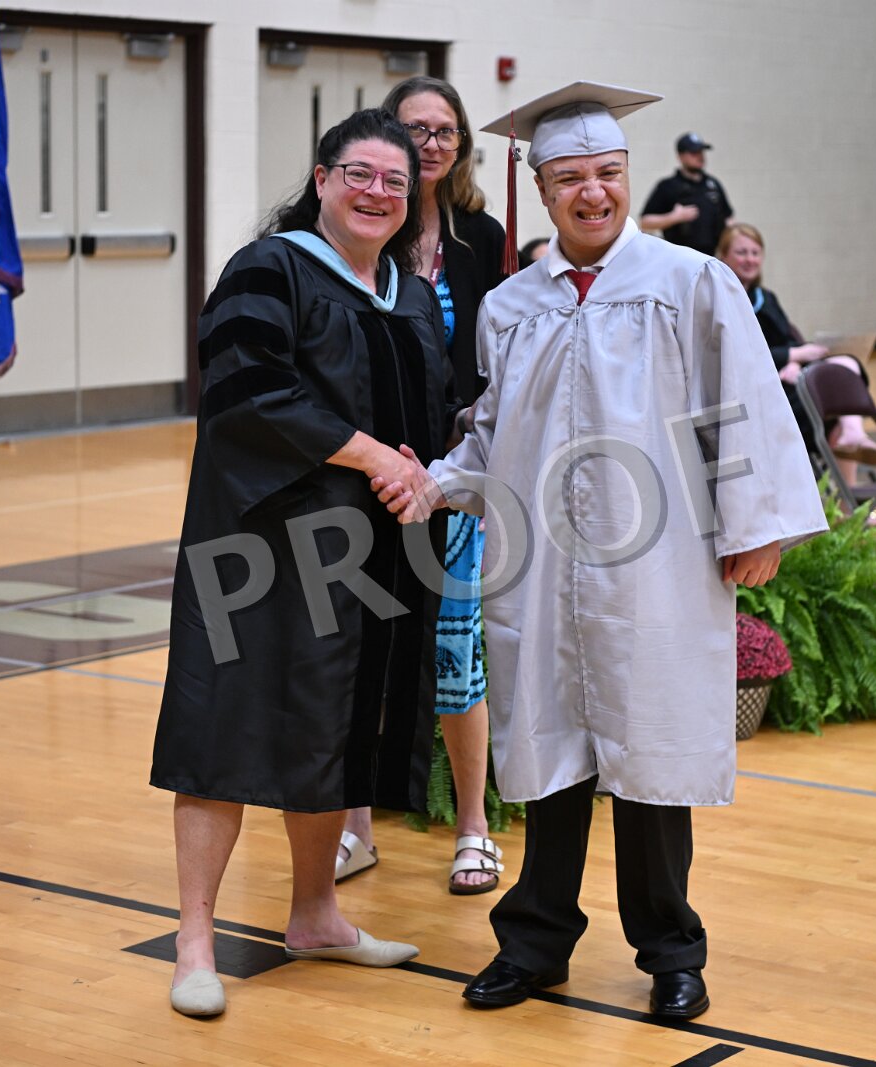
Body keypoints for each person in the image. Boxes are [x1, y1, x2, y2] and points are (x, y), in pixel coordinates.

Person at [377, 81, 825, 1021]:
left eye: (609, 174)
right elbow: (494, 434)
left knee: (651, 752)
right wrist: (437, 483)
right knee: (549, 748)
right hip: (542, 561)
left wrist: (758, 524)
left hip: (661, 560)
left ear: (628, 177)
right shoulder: (512, 305)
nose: (594, 192)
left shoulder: (688, 283)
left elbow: (746, 404)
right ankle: (535, 944)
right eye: (571, 178)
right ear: (541, 190)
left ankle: (671, 951)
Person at [150, 108, 451, 1019]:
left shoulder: (407, 293)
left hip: (364, 555)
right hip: (259, 545)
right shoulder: (269, 269)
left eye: (395, 181)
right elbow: (249, 394)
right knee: (225, 728)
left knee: (335, 722)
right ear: (321, 179)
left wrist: (422, 471)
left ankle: (316, 914)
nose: (376, 192)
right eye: (359, 173)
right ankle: (194, 942)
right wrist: (375, 455)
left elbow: (429, 409)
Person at [335, 75, 509, 896]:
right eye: (415, 129)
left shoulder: (483, 235)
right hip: (370, 473)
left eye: (445, 130)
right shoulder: (365, 225)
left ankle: (472, 825)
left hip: (453, 473)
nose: (431, 143)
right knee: (363, 648)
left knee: (453, 652)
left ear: (461, 142)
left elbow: (500, 353)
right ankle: (355, 824)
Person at [716, 222, 876, 485]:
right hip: (756, 398)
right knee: (826, 409)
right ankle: (850, 440)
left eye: (755, 252)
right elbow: (734, 355)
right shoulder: (718, 301)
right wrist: (790, 357)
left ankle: (849, 484)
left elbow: (787, 340)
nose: (750, 259)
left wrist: (794, 362)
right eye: (741, 252)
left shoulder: (766, 298)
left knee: (844, 366)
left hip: (788, 385)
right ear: (723, 256)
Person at [639, 132, 734, 254]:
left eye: (701, 152)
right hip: (678, 256)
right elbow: (645, 222)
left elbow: (729, 218)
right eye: (694, 153)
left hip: (711, 255)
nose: (700, 157)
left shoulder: (713, 185)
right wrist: (674, 217)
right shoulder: (668, 186)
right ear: (680, 156)